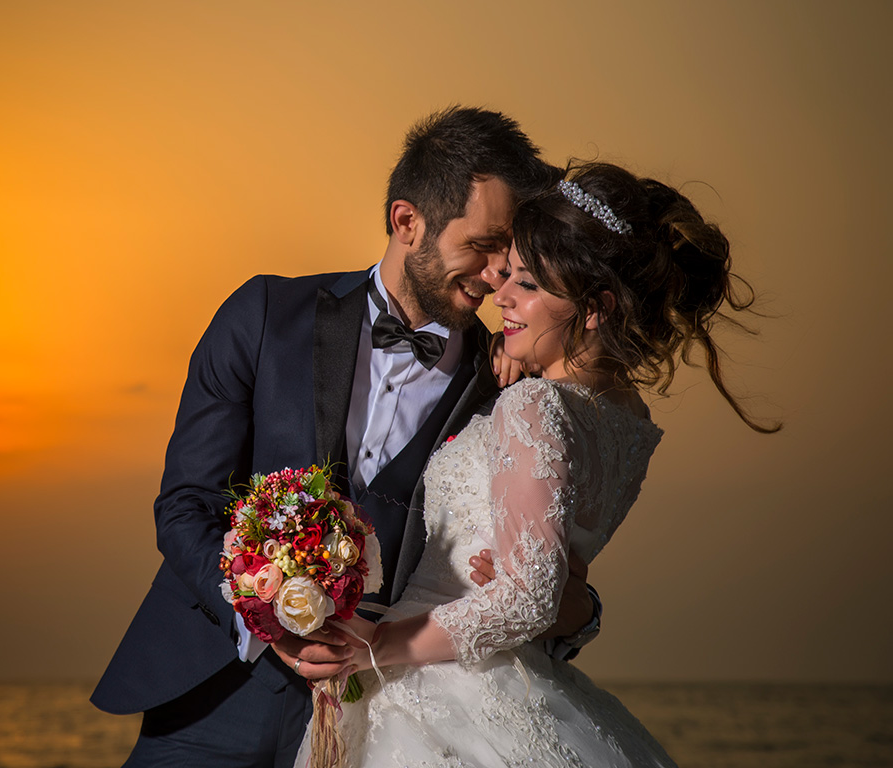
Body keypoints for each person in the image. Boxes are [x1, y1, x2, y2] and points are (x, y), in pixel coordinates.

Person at [91, 107, 600, 767]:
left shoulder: (506, 390)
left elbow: (538, 575)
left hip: (381, 719)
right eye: (484, 243)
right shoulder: (263, 315)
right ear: (407, 221)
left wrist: (579, 614)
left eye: (511, 251)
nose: (498, 271)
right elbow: (186, 503)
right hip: (213, 693)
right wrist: (265, 618)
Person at [296, 161, 780, 768]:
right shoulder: (629, 420)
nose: (499, 295)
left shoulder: (533, 404)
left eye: (526, 284)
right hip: (526, 683)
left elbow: (527, 598)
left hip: (438, 685)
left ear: (595, 307)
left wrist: (374, 647)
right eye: (508, 276)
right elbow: (551, 583)